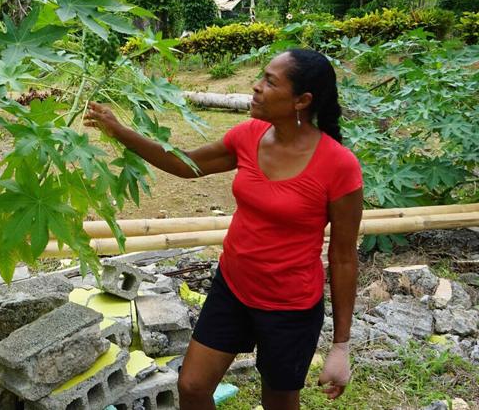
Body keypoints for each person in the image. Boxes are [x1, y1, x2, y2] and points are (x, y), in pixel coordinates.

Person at [84, 49, 363, 410]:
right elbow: (184, 165)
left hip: (289, 307)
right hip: (233, 288)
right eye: (260, 77)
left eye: (270, 82)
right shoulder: (248, 135)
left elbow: (343, 257)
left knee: (278, 401)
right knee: (193, 386)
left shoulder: (339, 166)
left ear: (302, 101)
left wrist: (340, 346)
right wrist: (120, 131)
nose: (256, 86)